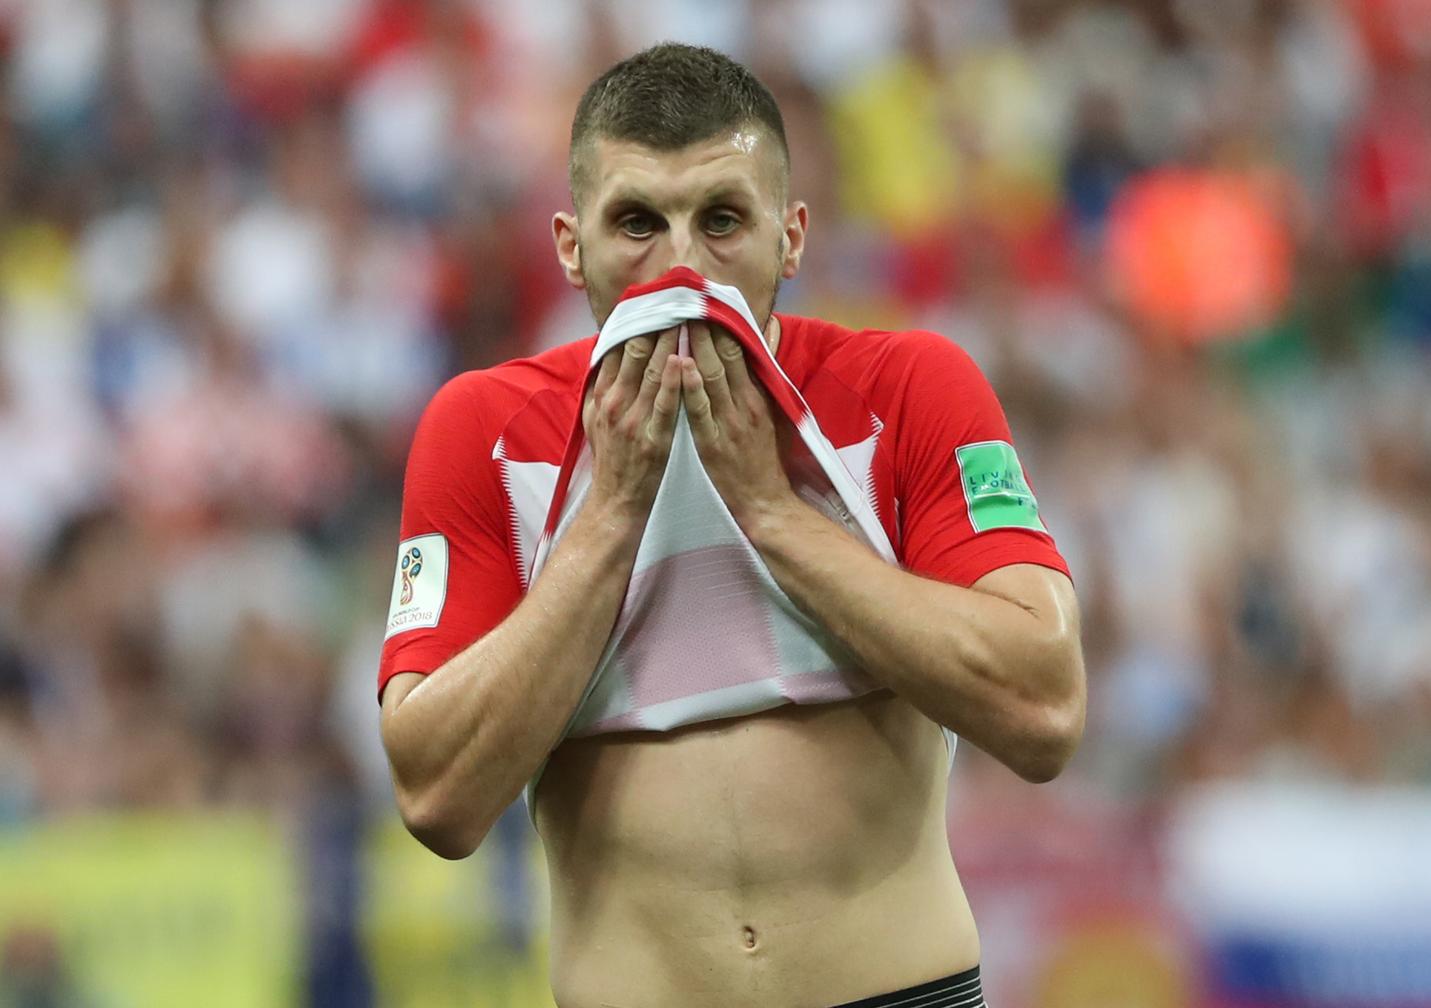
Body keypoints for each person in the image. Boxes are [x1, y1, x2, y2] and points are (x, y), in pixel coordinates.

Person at [377, 43, 1085, 1008]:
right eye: (636, 220)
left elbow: (1044, 709)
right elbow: (437, 796)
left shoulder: (909, 387)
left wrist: (771, 513)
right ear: (569, 242)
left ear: (789, 237)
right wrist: (613, 513)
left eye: (720, 219)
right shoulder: (485, 430)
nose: (680, 264)